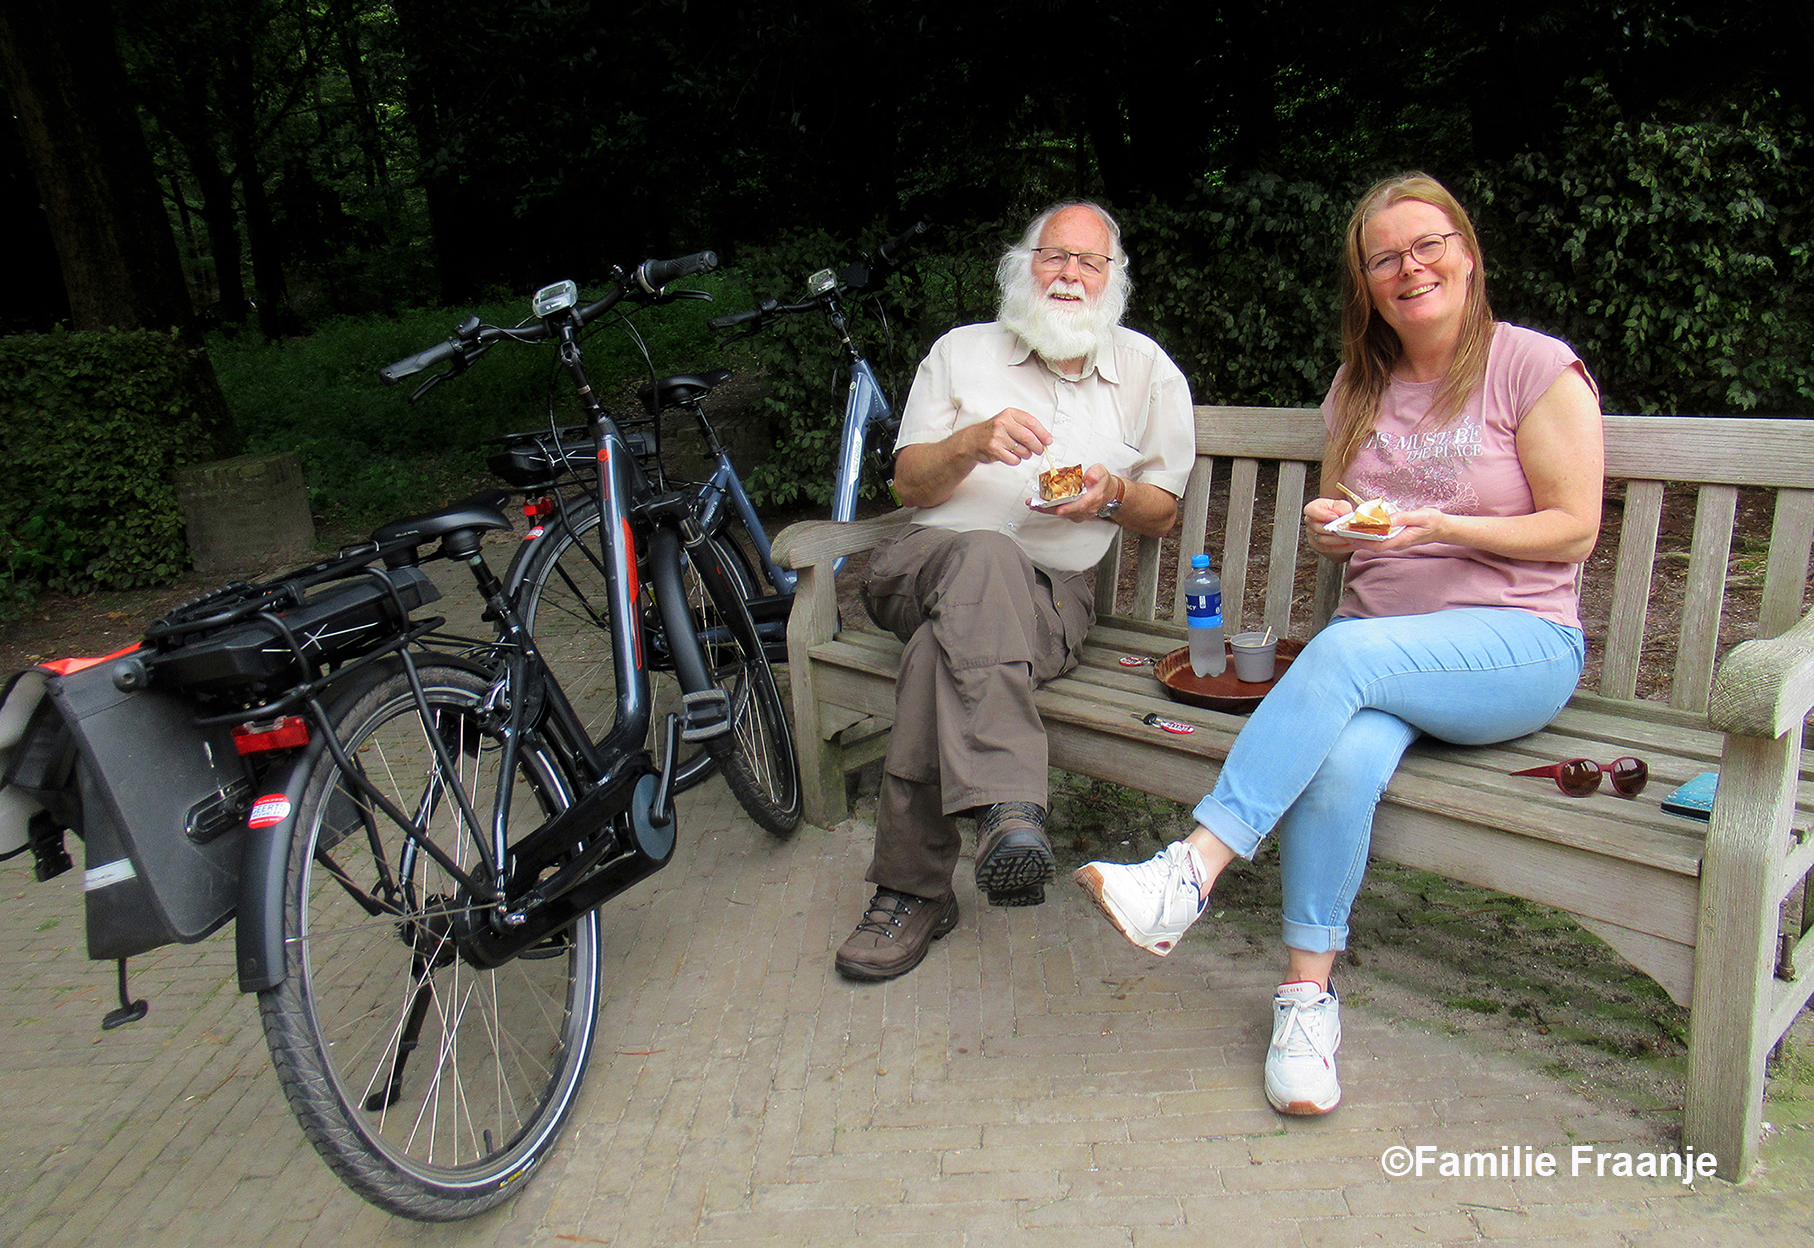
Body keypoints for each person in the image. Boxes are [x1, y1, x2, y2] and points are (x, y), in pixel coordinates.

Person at [1075, 172, 1603, 1115]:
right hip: (1380, 658)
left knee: (1344, 655)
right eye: (1384, 257)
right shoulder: (1358, 387)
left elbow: (1573, 530)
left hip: (1517, 647)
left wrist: (1439, 528)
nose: (1410, 268)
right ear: (1366, 282)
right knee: (1339, 762)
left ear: (1467, 252)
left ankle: (1189, 871)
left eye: (1427, 245)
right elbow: (1347, 525)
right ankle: (1307, 1002)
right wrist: (1332, 526)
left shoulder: (1532, 366)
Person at [834, 201, 1196, 982]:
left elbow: (1161, 512)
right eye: (1053, 256)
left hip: (1052, 600)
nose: (1069, 274)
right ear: (1021, 266)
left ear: (1114, 278)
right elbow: (907, 485)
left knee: (942, 651)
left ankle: (913, 890)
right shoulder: (962, 354)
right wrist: (967, 443)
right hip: (921, 565)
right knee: (984, 554)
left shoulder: (1146, 372)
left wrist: (1109, 496)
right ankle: (1010, 805)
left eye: (1089, 262)